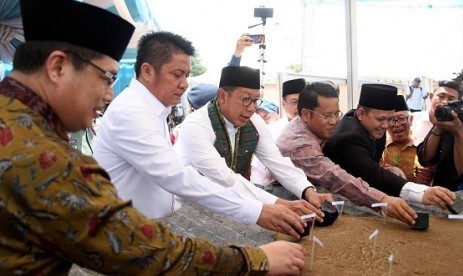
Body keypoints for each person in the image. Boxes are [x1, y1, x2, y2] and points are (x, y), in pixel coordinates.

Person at [0, 1, 306, 274]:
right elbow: (136, 242)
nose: (108, 95)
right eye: (106, 77)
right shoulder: (44, 153)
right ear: (57, 67)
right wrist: (256, 260)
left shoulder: (20, 122)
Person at [93, 31, 314, 240]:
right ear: (148, 71)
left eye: (187, 75)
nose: (184, 84)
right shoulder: (132, 112)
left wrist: (303, 191)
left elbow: (276, 162)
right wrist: (261, 211)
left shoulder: (153, 109)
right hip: (131, 230)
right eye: (177, 74)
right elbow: (178, 177)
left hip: (168, 217)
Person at [175, 66, 333, 223]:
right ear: (222, 96)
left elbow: (276, 161)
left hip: (234, 203)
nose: (251, 108)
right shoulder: (196, 126)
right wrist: (282, 205)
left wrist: (307, 190)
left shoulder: (254, 122)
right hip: (189, 209)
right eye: (245, 99)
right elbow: (224, 179)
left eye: (255, 100)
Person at [277, 82, 417, 225]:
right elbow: (334, 176)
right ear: (306, 114)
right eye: (327, 116)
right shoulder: (298, 144)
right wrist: (381, 200)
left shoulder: (316, 126)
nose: (334, 121)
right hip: (284, 202)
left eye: (336, 114)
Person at [323, 83, 456, 210]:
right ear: (361, 113)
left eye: (390, 119)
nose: (387, 125)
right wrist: (421, 193)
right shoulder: (348, 137)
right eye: (381, 119)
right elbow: (371, 173)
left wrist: (389, 169)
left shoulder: (371, 125)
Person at [417, 80, 463, 191]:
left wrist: (458, 133)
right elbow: (425, 158)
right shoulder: (448, 123)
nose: (444, 102)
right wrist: (439, 128)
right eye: (441, 96)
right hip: (440, 195)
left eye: (451, 99)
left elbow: (462, 173)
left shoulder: (457, 126)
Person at [382, 95, 419, 182]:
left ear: (411, 120)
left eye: (402, 118)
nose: (397, 124)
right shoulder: (380, 149)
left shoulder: (423, 148)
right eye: (391, 120)